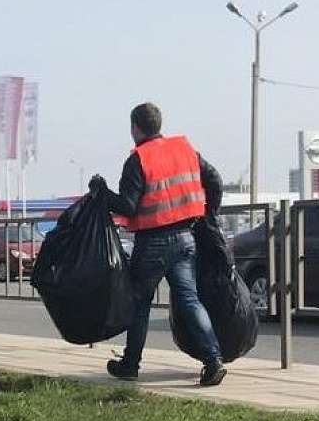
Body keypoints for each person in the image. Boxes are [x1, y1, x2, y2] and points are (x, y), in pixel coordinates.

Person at [90, 102, 227, 386]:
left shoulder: (138, 160)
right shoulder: (185, 149)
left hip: (153, 242)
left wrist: (102, 192)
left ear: (135, 128)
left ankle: (130, 365)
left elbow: (127, 207)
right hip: (186, 238)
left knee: (140, 305)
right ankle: (213, 360)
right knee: (189, 299)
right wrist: (207, 214)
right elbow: (214, 180)